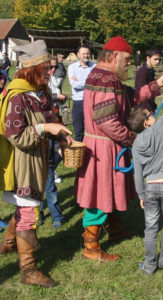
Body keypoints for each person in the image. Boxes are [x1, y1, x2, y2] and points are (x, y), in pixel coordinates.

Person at [74, 36, 163, 262]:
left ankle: (115, 228)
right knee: (99, 195)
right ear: (115, 56)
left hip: (105, 144)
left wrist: (159, 85)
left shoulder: (105, 76)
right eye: (127, 59)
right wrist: (132, 140)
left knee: (109, 189)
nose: (130, 63)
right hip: (102, 147)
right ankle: (91, 246)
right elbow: (107, 121)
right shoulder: (105, 79)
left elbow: (130, 97)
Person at [0, 40, 72, 287]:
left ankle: (9, 244)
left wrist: (59, 131)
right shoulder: (17, 96)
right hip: (23, 163)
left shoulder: (41, 92)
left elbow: (51, 115)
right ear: (31, 68)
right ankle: (28, 270)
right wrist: (45, 127)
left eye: (51, 67)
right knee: (29, 213)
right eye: (46, 67)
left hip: (40, 159)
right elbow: (17, 136)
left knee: (25, 206)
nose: (51, 71)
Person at [127, 67, 163, 275]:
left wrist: (141, 195)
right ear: (146, 122)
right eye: (150, 114)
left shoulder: (137, 144)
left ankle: (150, 265)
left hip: (150, 189)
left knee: (151, 228)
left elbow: (137, 172)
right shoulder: (160, 129)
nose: (152, 114)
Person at [39, 56, 67, 229]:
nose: (53, 71)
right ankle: (39, 214)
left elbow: (54, 119)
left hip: (49, 143)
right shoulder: (31, 93)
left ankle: (56, 216)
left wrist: (59, 143)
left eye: (54, 68)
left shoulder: (48, 94)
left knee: (49, 183)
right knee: (36, 187)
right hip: (34, 147)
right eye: (50, 68)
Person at [68, 45, 95, 142]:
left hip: (92, 102)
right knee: (78, 131)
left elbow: (96, 83)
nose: (86, 55)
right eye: (83, 53)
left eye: (87, 53)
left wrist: (80, 81)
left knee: (92, 130)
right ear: (78, 55)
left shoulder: (94, 67)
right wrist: (89, 81)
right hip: (78, 102)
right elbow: (74, 84)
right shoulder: (72, 67)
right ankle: (79, 154)